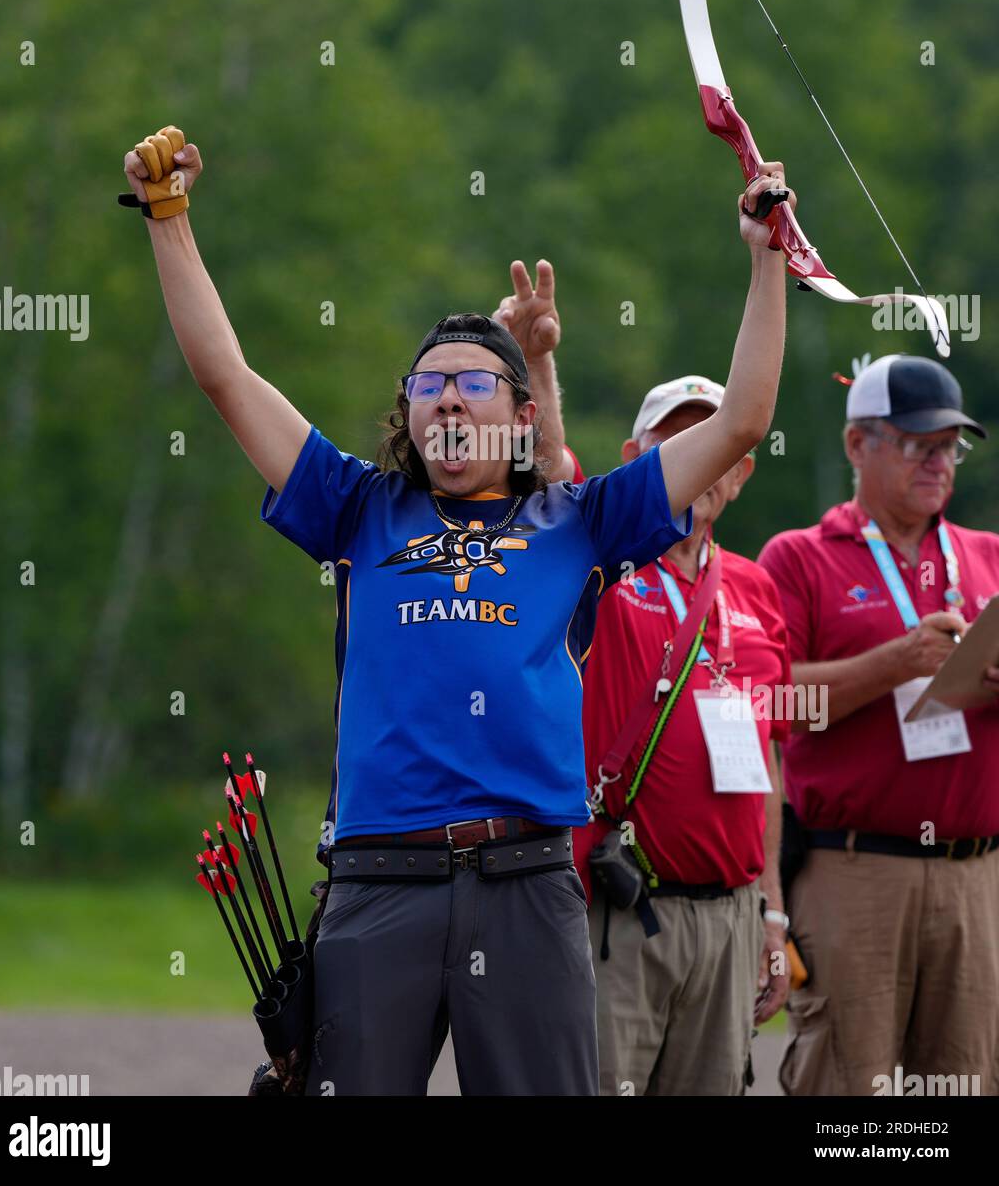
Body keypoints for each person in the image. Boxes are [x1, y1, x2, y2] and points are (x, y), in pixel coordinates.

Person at [122, 126, 787, 1095]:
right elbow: (227, 376)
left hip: (526, 885)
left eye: (473, 384)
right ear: (407, 411)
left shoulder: (579, 519)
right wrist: (167, 217)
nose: (446, 402)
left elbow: (742, 421)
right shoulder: (357, 507)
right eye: (428, 386)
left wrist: (766, 261)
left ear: (521, 417)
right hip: (377, 885)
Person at [495, 297, 793, 1097]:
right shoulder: (603, 558)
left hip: (731, 916)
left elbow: (763, 760)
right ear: (638, 455)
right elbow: (552, 463)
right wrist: (538, 363)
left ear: (740, 465)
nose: (699, 458)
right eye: (675, 441)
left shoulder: (761, 589)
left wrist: (771, 914)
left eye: (714, 441)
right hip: (620, 908)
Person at [758, 354, 999, 1096]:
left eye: (949, 446)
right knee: (850, 1092)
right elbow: (771, 702)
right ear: (857, 445)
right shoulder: (798, 558)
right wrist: (895, 662)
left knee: (963, 1089)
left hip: (975, 875)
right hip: (855, 872)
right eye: (918, 442)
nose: (938, 461)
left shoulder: (988, 556)